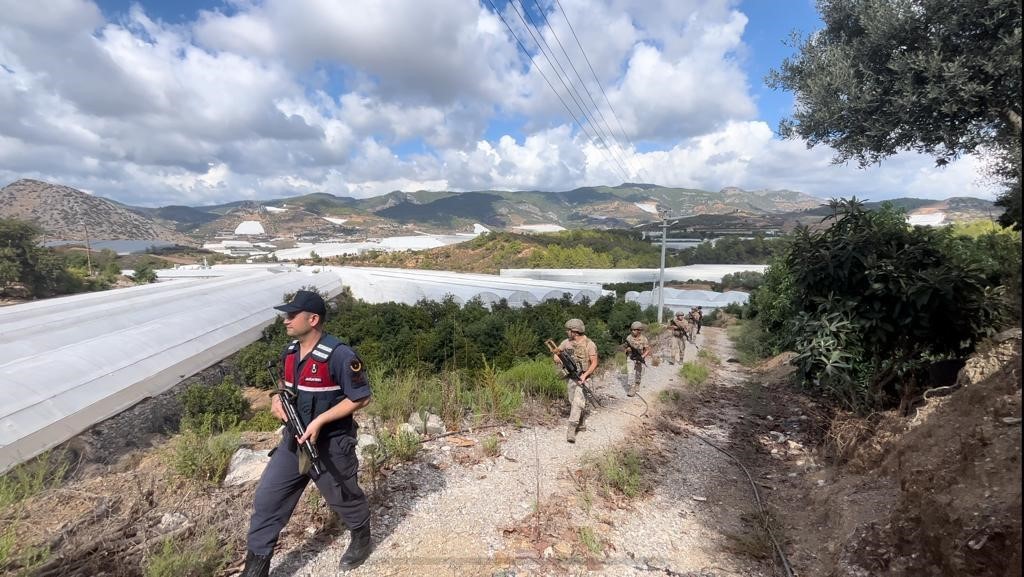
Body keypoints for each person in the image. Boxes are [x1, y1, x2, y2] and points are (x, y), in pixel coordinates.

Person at [241, 290, 373, 577]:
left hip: (331, 443)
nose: (285, 320)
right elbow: (283, 387)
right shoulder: (290, 353)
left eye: (292, 315)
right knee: (267, 499)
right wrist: (276, 401)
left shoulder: (339, 355)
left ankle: (362, 538)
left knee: (343, 497)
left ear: (313, 319)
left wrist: (321, 420)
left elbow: (361, 397)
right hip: (293, 441)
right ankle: (256, 567)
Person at [553, 318, 599, 443]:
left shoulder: (589, 344)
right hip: (571, 376)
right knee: (572, 400)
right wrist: (557, 358)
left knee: (578, 400)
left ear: (575, 331)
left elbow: (594, 362)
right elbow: (556, 353)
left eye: (568, 330)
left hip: (584, 376)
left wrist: (585, 376)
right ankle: (581, 421)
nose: (567, 332)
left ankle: (571, 429)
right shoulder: (566, 343)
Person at [624, 321, 651, 397]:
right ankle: (631, 388)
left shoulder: (644, 339)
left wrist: (642, 357)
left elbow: (648, 349)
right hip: (631, 357)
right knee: (630, 373)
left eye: (635, 330)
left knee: (638, 373)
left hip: (639, 358)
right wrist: (627, 350)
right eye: (632, 330)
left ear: (639, 330)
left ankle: (637, 384)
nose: (633, 331)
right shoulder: (629, 338)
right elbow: (625, 347)